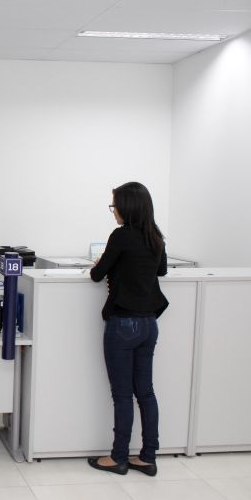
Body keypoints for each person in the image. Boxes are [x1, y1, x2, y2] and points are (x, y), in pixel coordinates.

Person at [87, 182, 168, 477]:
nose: (114, 211)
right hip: (149, 324)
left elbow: (97, 274)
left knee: (122, 395)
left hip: (123, 324)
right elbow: (161, 270)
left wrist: (105, 263)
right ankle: (147, 457)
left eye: (115, 206)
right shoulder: (155, 237)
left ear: (127, 207)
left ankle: (118, 457)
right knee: (145, 393)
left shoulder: (121, 236)